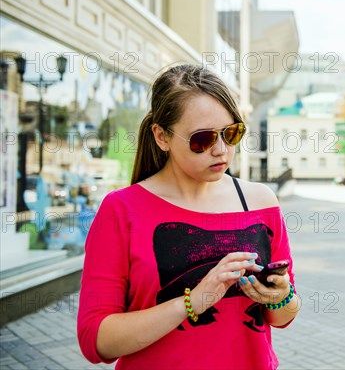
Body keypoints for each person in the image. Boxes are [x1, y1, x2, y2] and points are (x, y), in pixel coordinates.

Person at [77, 64, 299, 369]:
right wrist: (192, 302)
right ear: (162, 137)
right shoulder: (122, 210)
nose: (221, 150)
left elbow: (282, 317)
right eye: (202, 139)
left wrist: (281, 296)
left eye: (231, 133)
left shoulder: (259, 202)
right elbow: (96, 340)